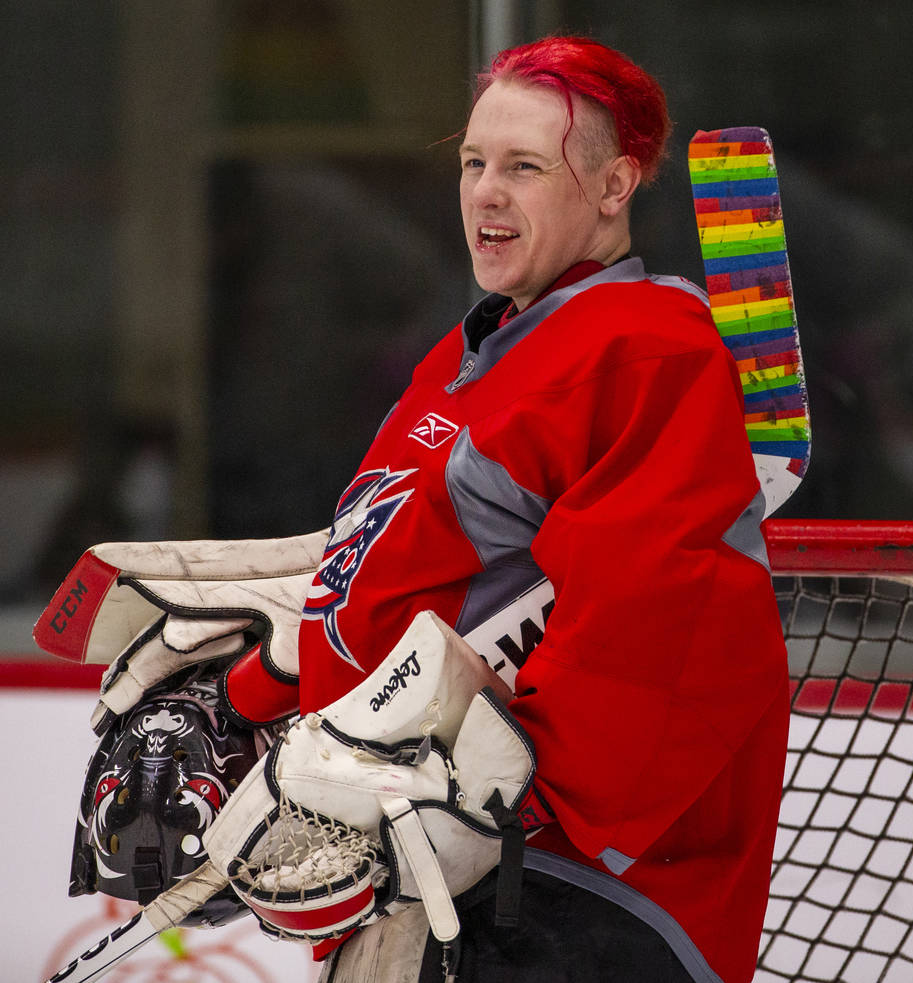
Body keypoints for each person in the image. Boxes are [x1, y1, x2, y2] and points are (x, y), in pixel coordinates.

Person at [294, 35, 791, 983]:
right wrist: (250, 700)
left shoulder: (645, 348)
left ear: (614, 187)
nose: (485, 191)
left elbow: (650, 626)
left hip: (564, 895)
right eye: (475, 162)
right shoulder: (472, 350)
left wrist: (481, 806)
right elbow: (380, 569)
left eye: (525, 167)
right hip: (427, 865)